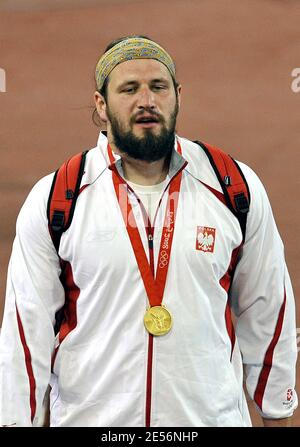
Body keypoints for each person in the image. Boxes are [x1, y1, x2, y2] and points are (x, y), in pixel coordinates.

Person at [0, 35, 297, 427]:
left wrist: (278, 413)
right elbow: (26, 338)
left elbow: (268, 317)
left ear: (177, 96)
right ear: (101, 106)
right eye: (129, 89)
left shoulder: (232, 187)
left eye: (158, 86)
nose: (146, 100)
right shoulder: (59, 198)